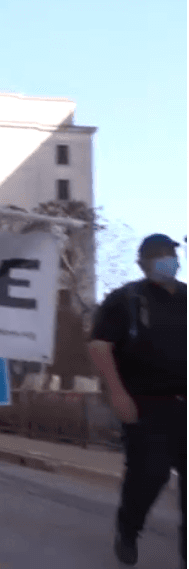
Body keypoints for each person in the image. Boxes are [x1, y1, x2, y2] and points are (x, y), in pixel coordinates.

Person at [87, 233, 186, 567]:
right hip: (145, 402)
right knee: (151, 473)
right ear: (142, 262)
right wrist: (117, 392)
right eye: (157, 255)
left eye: (171, 253)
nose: (167, 260)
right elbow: (100, 346)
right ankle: (128, 528)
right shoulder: (125, 299)